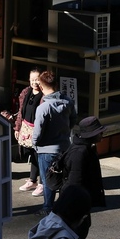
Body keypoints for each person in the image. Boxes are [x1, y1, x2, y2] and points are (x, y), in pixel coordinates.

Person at [51, 116, 107, 229]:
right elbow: (74, 183)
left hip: (81, 201)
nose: (102, 135)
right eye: (100, 132)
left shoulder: (88, 148)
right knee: (78, 232)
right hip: (75, 205)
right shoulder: (80, 153)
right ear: (91, 135)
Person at [32, 70, 76, 216]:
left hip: (46, 149)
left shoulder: (43, 108)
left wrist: (35, 144)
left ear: (41, 86)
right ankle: (64, 205)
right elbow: (73, 121)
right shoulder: (68, 102)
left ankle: (48, 207)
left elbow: (38, 131)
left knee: (47, 181)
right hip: (64, 147)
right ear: (56, 84)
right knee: (64, 179)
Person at [15, 67, 45, 196]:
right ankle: (32, 180)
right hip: (26, 128)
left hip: (39, 129)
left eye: (37, 80)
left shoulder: (44, 95)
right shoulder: (26, 92)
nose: (34, 82)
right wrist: (17, 127)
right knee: (33, 155)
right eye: (32, 80)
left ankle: (42, 184)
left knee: (40, 156)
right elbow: (21, 111)